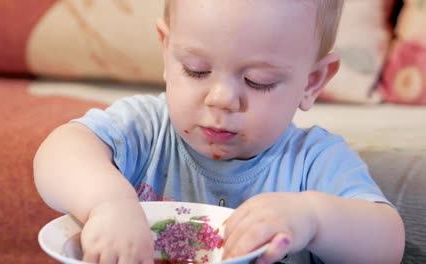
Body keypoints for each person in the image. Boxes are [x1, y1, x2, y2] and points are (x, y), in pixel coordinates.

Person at [34, 0, 405, 263]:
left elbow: (388, 243)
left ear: (312, 81)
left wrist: (312, 217)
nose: (223, 99)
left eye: (259, 81)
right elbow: (61, 149)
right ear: (166, 53)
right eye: (196, 70)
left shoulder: (312, 161)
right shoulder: (146, 129)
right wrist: (106, 202)